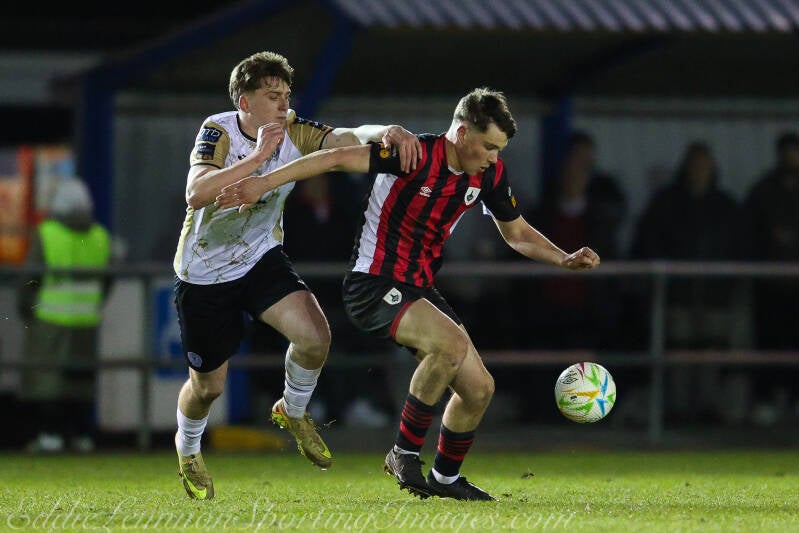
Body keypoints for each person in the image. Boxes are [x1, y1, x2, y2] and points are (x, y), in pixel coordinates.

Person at [215, 87, 600, 501]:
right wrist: (262, 183)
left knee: (478, 389)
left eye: (499, 149)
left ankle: (446, 478)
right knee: (449, 345)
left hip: (419, 287)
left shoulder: (489, 174)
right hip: (373, 282)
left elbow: (518, 233)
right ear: (461, 132)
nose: (493, 157)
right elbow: (334, 158)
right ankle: (402, 454)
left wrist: (563, 259)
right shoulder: (412, 155)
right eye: (488, 146)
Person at [171, 50, 420, 500]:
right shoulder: (218, 130)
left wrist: (383, 131)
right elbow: (197, 193)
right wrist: (260, 157)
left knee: (315, 336)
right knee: (208, 388)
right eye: (272, 96)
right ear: (244, 102)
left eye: (286, 95)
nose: (283, 105)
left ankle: (294, 408)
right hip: (204, 273)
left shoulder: (295, 131)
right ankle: (188, 448)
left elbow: (346, 138)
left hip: (259, 258)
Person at [631, 141, 743, 423]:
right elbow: (648, 242)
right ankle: (678, 409)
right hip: (677, 294)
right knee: (677, 353)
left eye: (704, 165)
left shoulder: (725, 206)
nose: (699, 170)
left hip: (714, 294)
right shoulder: (667, 204)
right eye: (694, 164)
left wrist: (727, 285)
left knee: (711, 353)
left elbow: (739, 246)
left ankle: (708, 409)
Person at [16, 177, 112, 454]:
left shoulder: (47, 233)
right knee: (80, 381)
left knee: (47, 381)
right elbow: (107, 282)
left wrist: (26, 310)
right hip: (86, 320)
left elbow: (29, 279)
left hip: (49, 319)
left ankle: (50, 436)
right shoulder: (99, 236)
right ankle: (81, 436)